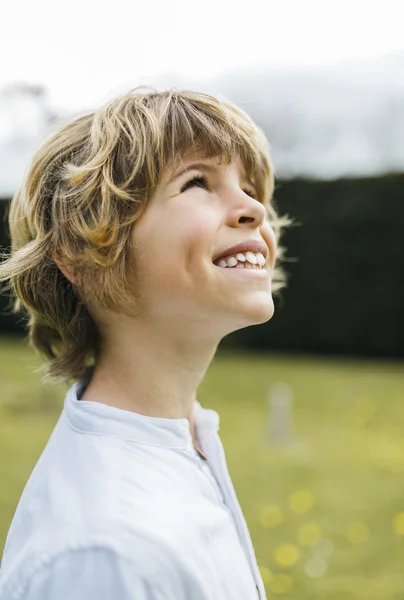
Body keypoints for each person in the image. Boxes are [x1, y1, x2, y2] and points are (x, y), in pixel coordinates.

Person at [0, 87, 292, 599]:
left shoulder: (184, 439)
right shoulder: (102, 556)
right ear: (84, 254)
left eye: (249, 186)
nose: (252, 208)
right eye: (197, 182)